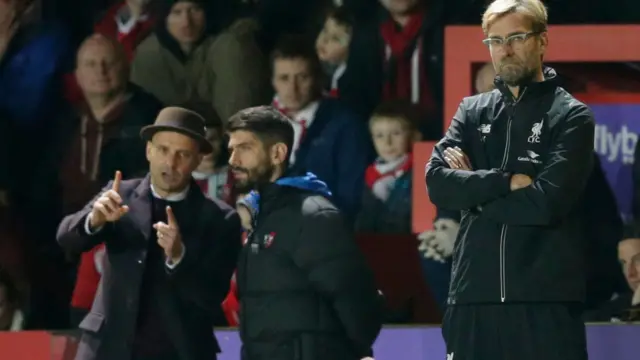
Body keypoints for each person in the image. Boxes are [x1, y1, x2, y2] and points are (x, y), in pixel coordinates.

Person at [425, 1, 594, 359]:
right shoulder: (472, 111)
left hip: (544, 300)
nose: (505, 49)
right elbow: (438, 183)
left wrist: (471, 190)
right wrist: (505, 182)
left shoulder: (572, 116)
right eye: (495, 40)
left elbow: (546, 203)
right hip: (472, 298)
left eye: (516, 37)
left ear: (542, 40)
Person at [57, 107, 242, 360]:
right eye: (163, 150)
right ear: (148, 151)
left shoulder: (220, 219)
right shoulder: (119, 193)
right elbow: (65, 237)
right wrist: (94, 219)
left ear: (198, 160)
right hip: (107, 348)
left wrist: (178, 257)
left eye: (183, 154)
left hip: (178, 351)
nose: (171, 162)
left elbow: (212, 295)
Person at [227, 106, 382, 360]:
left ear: (277, 153)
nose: (233, 159)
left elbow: (357, 300)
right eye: (232, 149)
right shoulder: (261, 218)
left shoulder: (312, 214)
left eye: (245, 148)